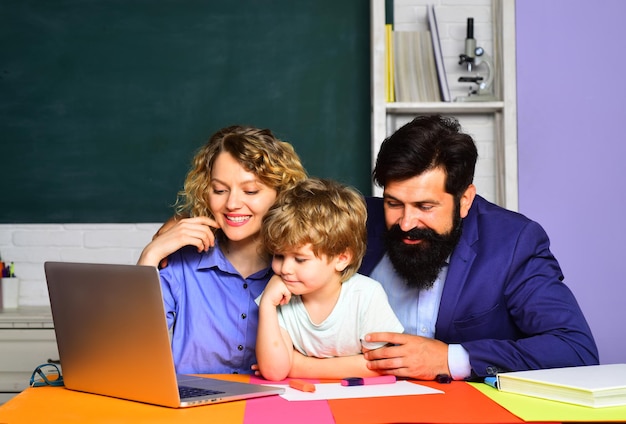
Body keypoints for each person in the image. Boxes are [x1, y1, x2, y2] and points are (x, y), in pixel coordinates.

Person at [290, 115, 599, 381]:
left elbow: (575, 349)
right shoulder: (352, 223)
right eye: (393, 203)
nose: (407, 222)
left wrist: (451, 359)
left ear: (464, 200)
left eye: (425, 206)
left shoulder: (514, 242)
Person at [137, 125, 307, 375]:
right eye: (219, 190)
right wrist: (150, 255)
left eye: (250, 191)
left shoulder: (301, 269)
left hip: (273, 408)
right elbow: (137, 350)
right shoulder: (182, 264)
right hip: (192, 410)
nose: (232, 204)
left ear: (280, 194)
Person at [255, 178, 403, 381]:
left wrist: (300, 366)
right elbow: (274, 371)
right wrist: (266, 305)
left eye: (300, 259)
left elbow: (382, 366)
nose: (285, 269)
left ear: (341, 258)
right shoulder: (278, 296)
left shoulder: (367, 295)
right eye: (279, 256)